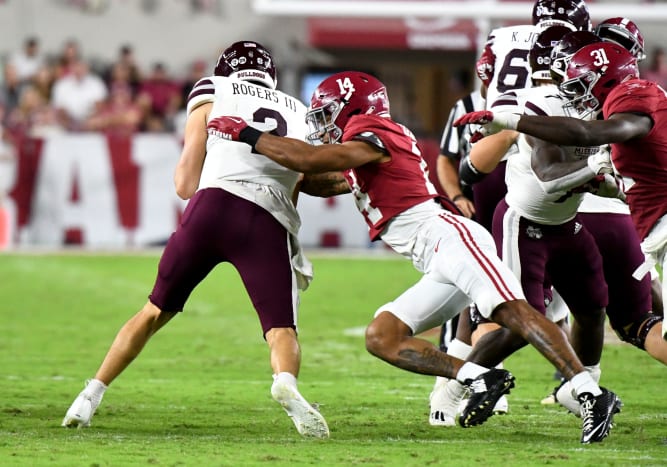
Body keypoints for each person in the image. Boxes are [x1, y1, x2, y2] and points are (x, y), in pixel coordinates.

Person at [208, 70, 622, 443]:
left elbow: (313, 159)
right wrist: (256, 163)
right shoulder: (365, 145)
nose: (323, 122)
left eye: (328, 112)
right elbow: (316, 177)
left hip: (448, 237)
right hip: (433, 255)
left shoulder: (373, 129)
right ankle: (479, 377)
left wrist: (248, 135)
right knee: (381, 337)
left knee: (515, 311)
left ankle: (590, 392)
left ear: (352, 107)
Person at [61, 41, 330, 439]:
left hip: (211, 207)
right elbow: (300, 183)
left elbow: (186, 183)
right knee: (281, 330)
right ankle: (286, 383)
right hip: (265, 218)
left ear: (226, 71)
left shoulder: (214, 89)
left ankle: (90, 395)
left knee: (153, 311)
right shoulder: (299, 111)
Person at [453, 42, 667, 345]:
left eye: (583, 85)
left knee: (531, 318)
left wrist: (512, 121)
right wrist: (609, 186)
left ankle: (470, 377)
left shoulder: (630, 98)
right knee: (541, 316)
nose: (578, 96)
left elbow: (587, 135)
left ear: (606, 79)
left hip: (648, 226)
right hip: (546, 218)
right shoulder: (618, 106)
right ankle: (578, 386)